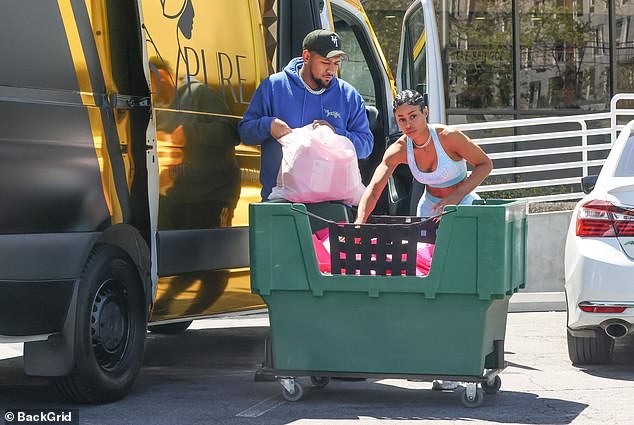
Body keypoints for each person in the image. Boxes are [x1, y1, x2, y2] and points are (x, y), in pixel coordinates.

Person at [238, 29, 374, 200]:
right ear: (307, 56)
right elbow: (244, 132)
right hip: (281, 202)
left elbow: (366, 146)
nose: (331, 70)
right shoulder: (274, 87)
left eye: (336, 63)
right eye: (325, 62)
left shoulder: (349, 96)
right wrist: (268, 125)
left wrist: (336, 134)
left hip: (333, 206)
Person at [355, 89, 492, 224]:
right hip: (429, 210)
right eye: (401, 119)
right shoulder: (399, 150)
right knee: (425, 247)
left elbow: (485, 164)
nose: (408, 125)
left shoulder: (448, 137)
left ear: (425, 112)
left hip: (464, 204)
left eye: (413, 116)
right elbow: (373, 190)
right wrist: (359, 222)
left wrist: (455, 196)